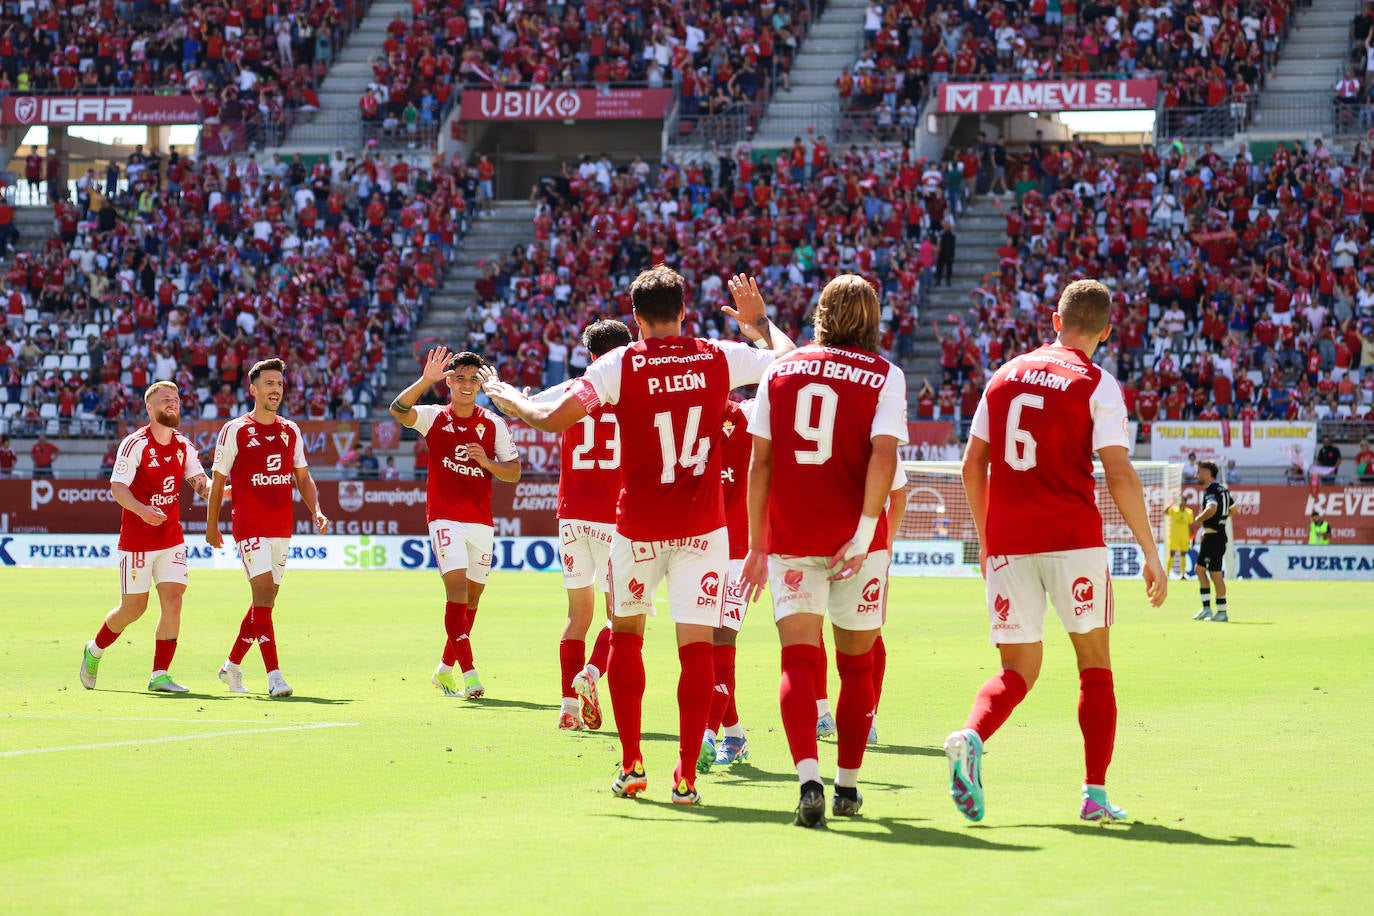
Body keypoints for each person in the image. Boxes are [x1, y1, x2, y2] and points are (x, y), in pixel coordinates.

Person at [483, 268, 793, 806]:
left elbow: (551, 418)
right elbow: (790, 362)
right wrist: (759, 323)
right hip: (704, 530)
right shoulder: (719, 355)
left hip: (638, 529)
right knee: (698, 649)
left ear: (635, 318)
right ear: (683, 310)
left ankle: (631, 766)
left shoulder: (619, 363)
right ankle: (687, 777)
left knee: (627, 636)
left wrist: (509, 398)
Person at [942, 279, 1167, 826]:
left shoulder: (1003, 375)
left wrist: (987, 536)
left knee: (1017, 669)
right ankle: (1093, 795)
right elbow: (1117, 471)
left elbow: (973, 465)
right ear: (1106, 331)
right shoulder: (1098, 382)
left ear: (1054, 319)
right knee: (1094, 667)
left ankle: (971, 736)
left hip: (1009, 544)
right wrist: (1150, 550)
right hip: (1072, 539)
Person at [739, 274, 907, 826]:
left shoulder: (779, 371)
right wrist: (863, 534)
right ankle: (848, 788)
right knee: (856, 668)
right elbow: (884, 459)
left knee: (798, 660)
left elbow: (758, 464)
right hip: (858, 543)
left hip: (792, 536)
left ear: (821, 313)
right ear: (873, 317)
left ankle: (807, 778)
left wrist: (757, 543)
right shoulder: (886, 375)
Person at [389, 348, 522, 700]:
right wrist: (424, 380)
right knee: (457, 595)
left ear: (481, 384)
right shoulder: (433, 417)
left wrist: (488, 463)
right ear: (448, 381)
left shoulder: (494, 424)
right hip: (445, 518)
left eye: (472, 379)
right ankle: (471, 674)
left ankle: (444, 669)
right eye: (459, 378)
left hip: (481, 522)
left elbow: (514, 472)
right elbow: (398, 410)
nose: (466, 385)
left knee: (474, 600)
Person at [207, 358, 330, 697]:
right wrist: (211, 524)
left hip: (281, 528)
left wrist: (316, 509)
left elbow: (302, 477)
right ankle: (274, 676)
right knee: (262, 596)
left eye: (279, 384)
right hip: (249, 526)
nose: (275, 389)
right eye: (269, 384)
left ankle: (231, 667)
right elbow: (218, 482)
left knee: (266, 601)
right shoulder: (235, 430)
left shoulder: (291, 430)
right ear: (253, 389)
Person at [79, 382, 211, 693]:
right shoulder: (134, 443)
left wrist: (226, 491)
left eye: (176, 399)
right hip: (137, 540)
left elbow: (201, 485)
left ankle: (160, 675)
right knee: (134, 608)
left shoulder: (184, 446)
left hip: (171, 538)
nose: (172, 404)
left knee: (174, 601)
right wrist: (141, 510)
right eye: (165, 400)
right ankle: (94, 650)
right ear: (149, 409)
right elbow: (117, 488)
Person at [537, 319, 633, 730]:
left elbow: (530, 406)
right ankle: (591, 673)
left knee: (578, 616)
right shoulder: (634, 387)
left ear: (591, 356)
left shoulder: (573, 390)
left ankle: (567, 708)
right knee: (619, 618)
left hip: (571, 515)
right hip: (614, 518)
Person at [696, 395, 758, 771]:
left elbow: (782, 365)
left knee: (723, 638)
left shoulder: (750, 412)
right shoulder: (689, 413)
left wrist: (764, 333)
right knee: (705, 643)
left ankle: (707, 732)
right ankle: (734, 735)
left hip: (738, 552)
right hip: (699, 548)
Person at [1190, 460, 1232, 622]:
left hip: (1213, 537)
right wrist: (1218, 522)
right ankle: (1209, 609)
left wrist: (1199, 519)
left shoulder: (1211, 490)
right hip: (1216, 535)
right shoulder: (1224, 490)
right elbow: (1233, 509)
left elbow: (1212, 508)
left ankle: (1219, 611)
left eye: (1198, 472)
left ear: (1207, 473)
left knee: (1212, 574)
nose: (1196, 475)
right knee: (1201, 570)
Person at [1164, 496, 1195, 580]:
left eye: (1183, 501)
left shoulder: (1189, 512)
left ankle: (1183, 574)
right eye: (1180, 501)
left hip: (1184, 537)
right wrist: (1171, 503)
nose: (1181, 503)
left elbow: (1191, 526)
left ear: (1185, 502)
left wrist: (1193, 537)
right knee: (1172, 553)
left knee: (1183, 554)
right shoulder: (1174, 510)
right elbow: (1165, 512)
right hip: (1174, 537)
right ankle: (1167, 573)